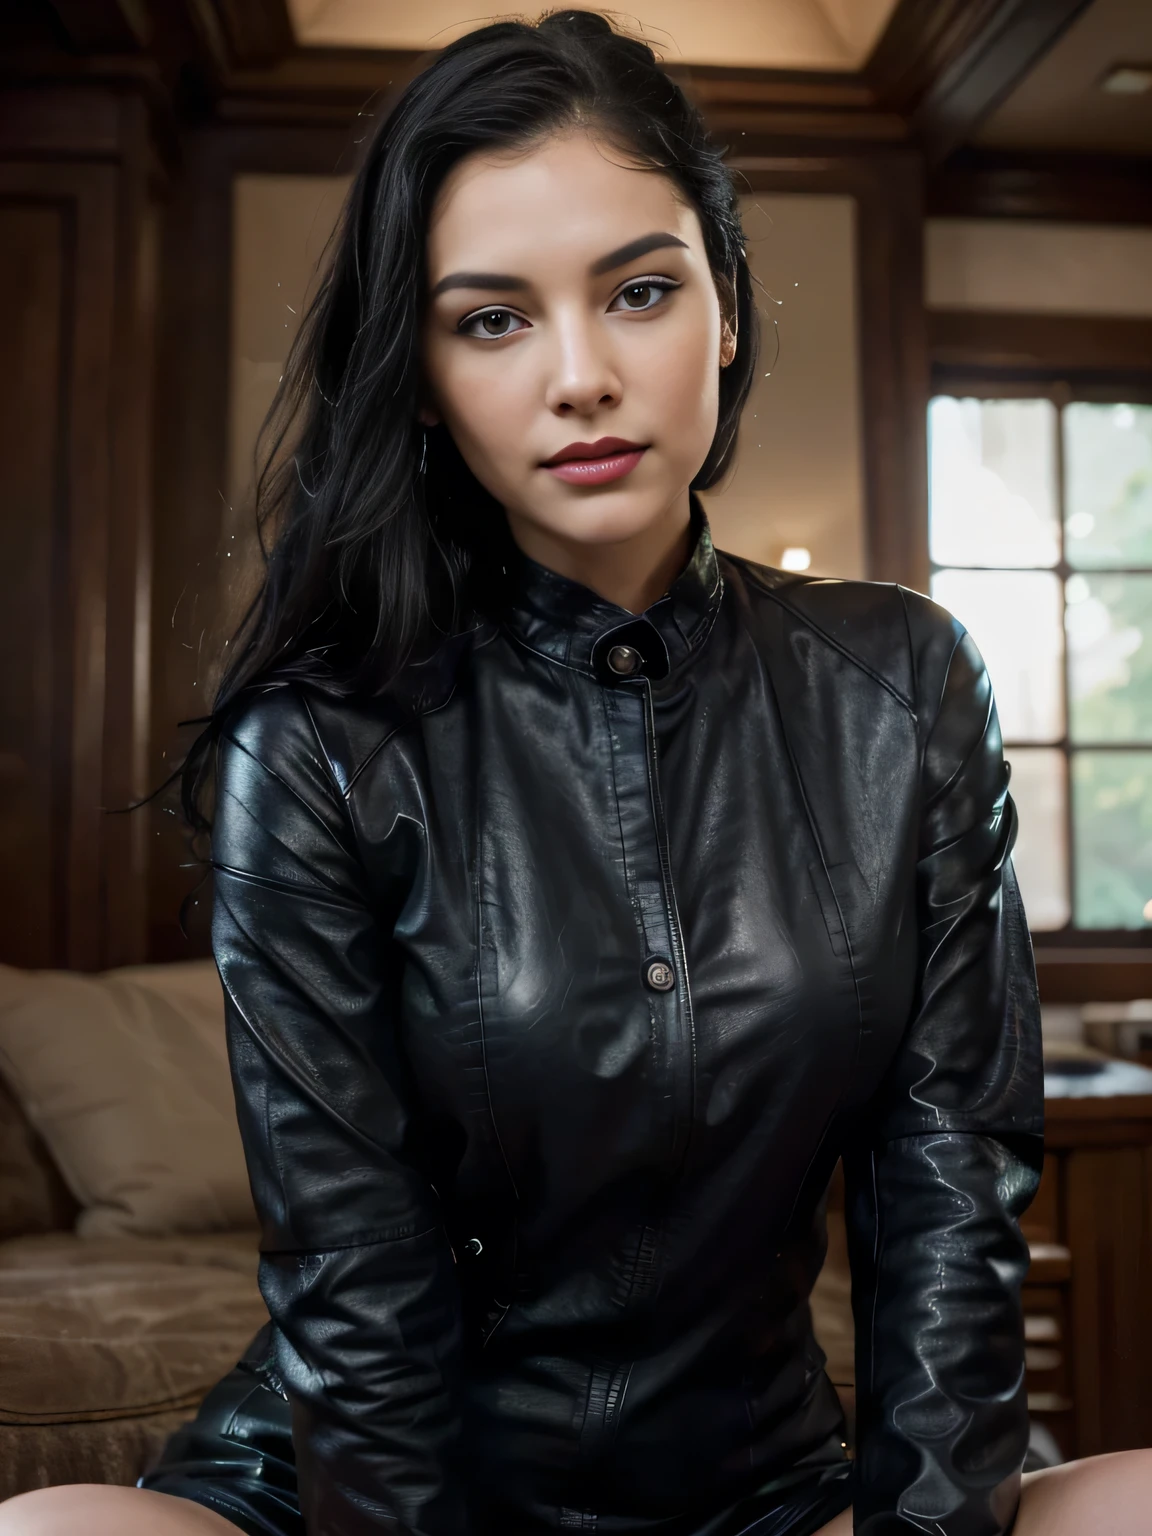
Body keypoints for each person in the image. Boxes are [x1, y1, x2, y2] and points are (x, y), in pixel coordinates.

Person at [4, 10, 1152, 1535]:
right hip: (375, 1493)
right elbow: (354, 1276)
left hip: (757, 1488)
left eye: (642, 292)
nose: (582, 375)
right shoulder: (319, 744)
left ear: (726, 312)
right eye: (492, 320)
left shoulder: (906, 683)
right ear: (419, 376)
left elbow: (951, 1198)